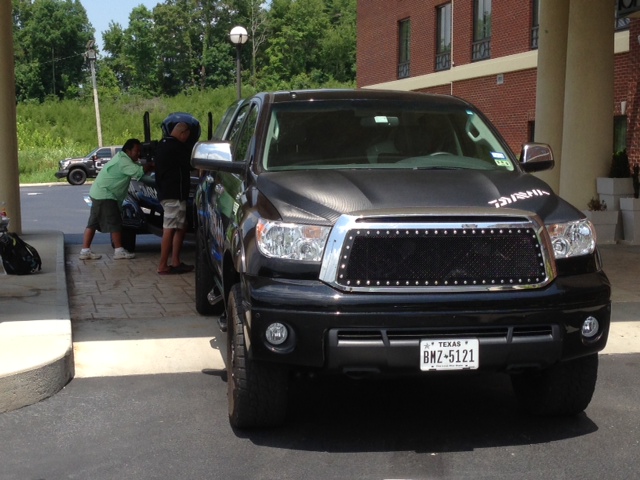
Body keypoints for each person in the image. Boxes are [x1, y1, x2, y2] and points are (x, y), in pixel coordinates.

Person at [79, 138, 151, 260]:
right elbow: (138, 172)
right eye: (137, 150)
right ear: (128, 151)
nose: (139, 153)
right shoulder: (124, 161)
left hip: (99, 192)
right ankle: (119, 251)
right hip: (106, 195)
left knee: (93, 223)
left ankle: (85, 251)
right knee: (115, 222)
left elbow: (136, 167)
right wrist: (151, 165)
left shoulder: (122, 158)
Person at [155, 122, 195, 275]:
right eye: (187, 136)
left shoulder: (162, 144)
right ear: (182, 133)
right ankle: (163, 265)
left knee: (181, 226)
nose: (186, 139)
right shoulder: (177, 147)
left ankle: (176, 261)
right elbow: (191, 165)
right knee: (170, 227)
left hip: (165, 192)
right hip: (174, 194)